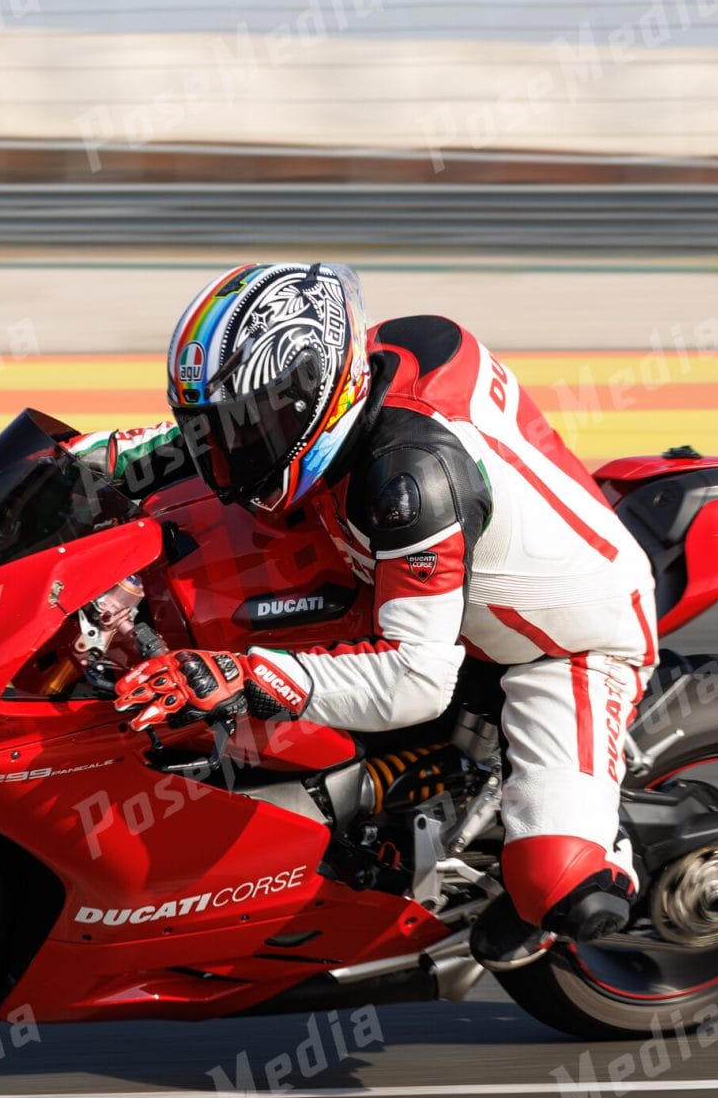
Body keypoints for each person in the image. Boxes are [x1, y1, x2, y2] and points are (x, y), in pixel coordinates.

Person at [93, 261, 658, 969]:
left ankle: (609, 847)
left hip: (561, 640)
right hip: (412, 545)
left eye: (248, 429)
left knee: (557, 885)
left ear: (315, 398)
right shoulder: (347, 381)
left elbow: (415, 681)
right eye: (216, 428)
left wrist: (242, 676)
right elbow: (160, 451)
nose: (226, 453)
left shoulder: (411, 484)